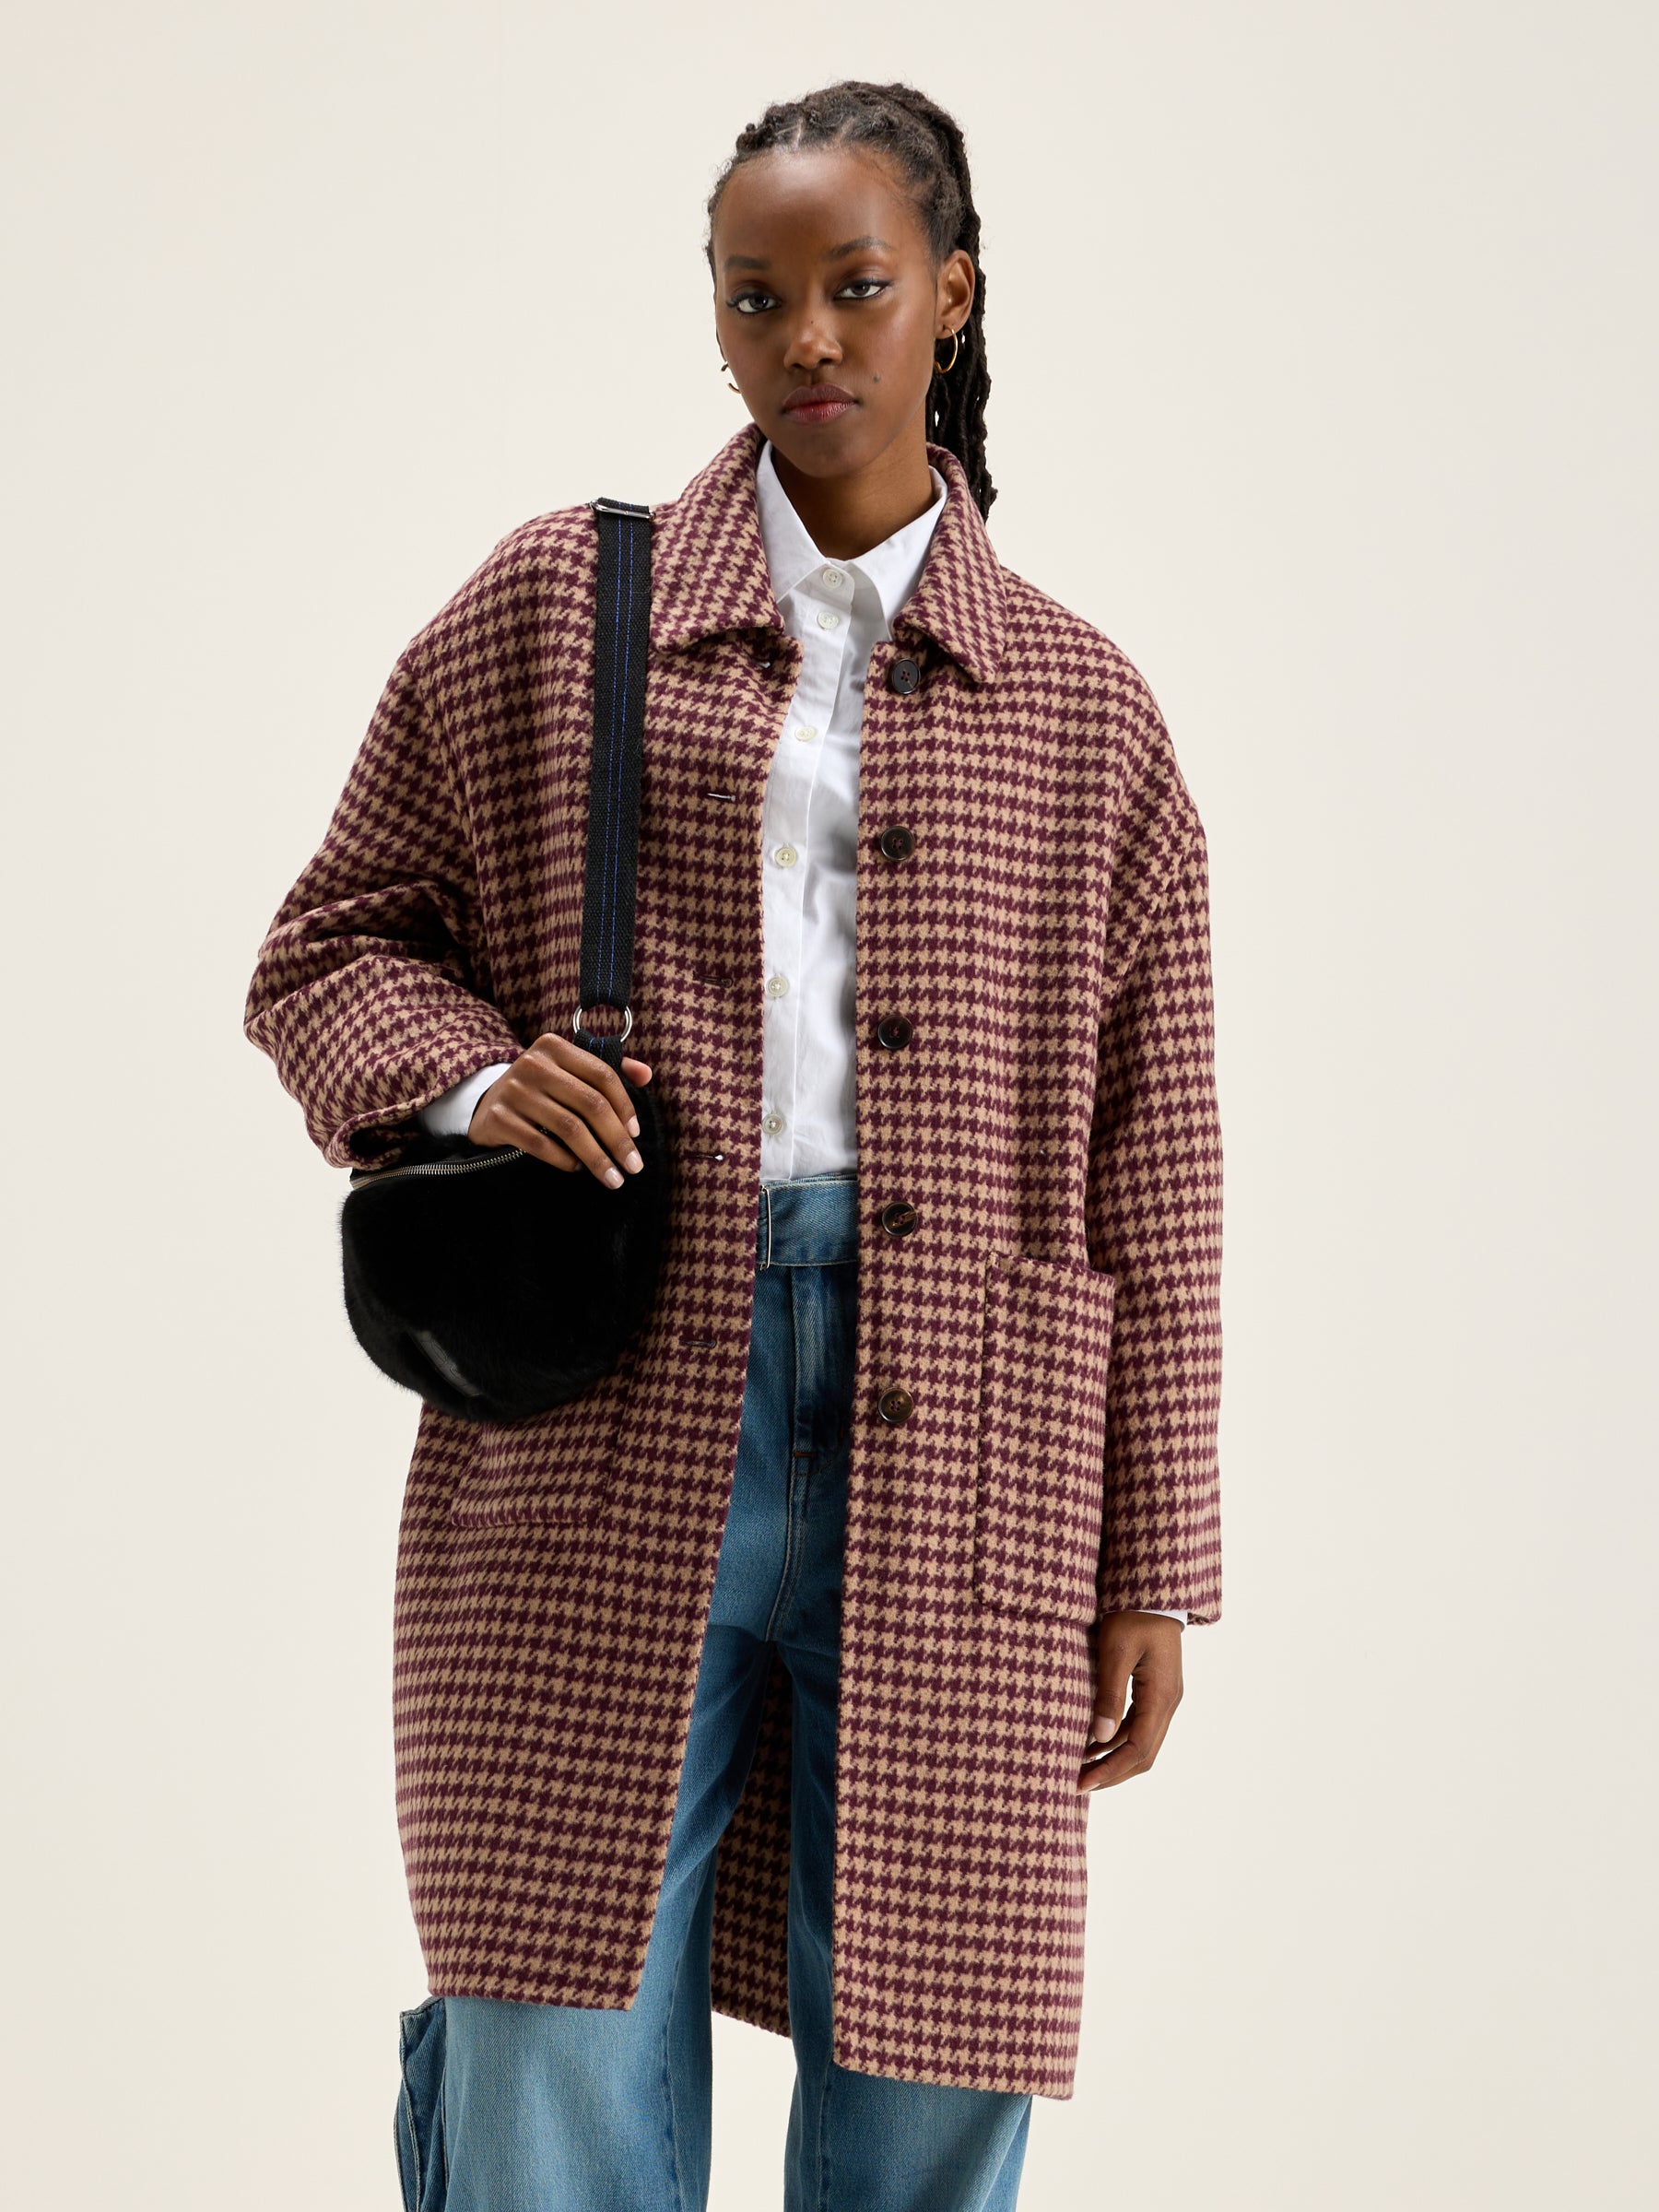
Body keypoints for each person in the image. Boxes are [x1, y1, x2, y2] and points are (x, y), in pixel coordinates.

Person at [244, 76, 1223, 2212]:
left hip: (972, 1445)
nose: (808, 338)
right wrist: (474, 1081)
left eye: (857, 284)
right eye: (754, 295)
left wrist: (1157, 1559)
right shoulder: (551, 610)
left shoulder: (1088, 712)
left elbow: (1158, 1164)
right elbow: (328, 947)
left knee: (931, 2067)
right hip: (597, 1413)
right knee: (549, 2042)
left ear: (954, 294)